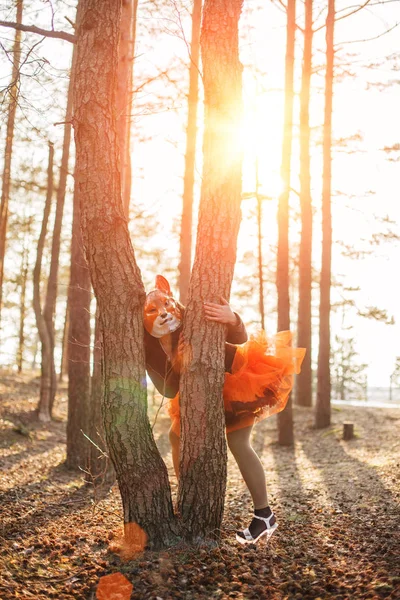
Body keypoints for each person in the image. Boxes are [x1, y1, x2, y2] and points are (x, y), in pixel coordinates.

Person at [143, 275, 305, 544]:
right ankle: (187, 501)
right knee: (175, 437)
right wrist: (179, 361)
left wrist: (233, 319)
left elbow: (238, 338)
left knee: (239, 443)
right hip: (198, 394)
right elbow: (169, 390)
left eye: (166, 304)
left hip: (235, 377)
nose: (163, 313)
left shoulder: (189, 314)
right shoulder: (149, 347)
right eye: (152, 310)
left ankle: (264, 515)